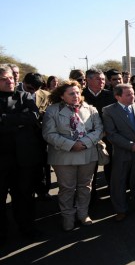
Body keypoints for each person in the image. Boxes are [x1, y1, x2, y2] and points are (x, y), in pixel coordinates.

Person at [42, 81, 103, 231]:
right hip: (63, 156)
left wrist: (84, 142)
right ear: (62, 96)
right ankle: (68, 217)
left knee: (85, 186)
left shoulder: (91, 109)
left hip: (87, 153)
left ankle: (83, 214)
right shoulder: (52, 110)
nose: (76, 96)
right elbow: (49, 134)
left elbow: (99, 130)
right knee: (67, 188)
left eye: (77, 92)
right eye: (71, 93)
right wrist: (70, 145)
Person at [0, 64, 42, 243]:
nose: (9, 81)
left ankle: (27, 228)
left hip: (24, 158)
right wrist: (18, 121)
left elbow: (33, 116)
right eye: (3, 79)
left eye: (10, 77)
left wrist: (4, 119)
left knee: (25, 196)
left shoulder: (24, 96)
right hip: (1, 158)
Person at [102, 84, 135, 221]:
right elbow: (111, 134)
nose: (132, 97)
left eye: (133, 93)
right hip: (122, 152)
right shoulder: (109, 111)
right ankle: (121, 210)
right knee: (119, 181)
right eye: (128, 95)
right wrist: (130, 145)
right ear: (118, 96)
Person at [82, 69, 116, 200]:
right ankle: (90, 196)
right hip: (88, 138)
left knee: (111, 165)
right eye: (98, 79)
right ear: (88, 80)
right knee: (90, 170)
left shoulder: (111, 95)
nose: (102, 81)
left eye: (103, 79)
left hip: (108, 136)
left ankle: (112, 191)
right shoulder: (81, 96)